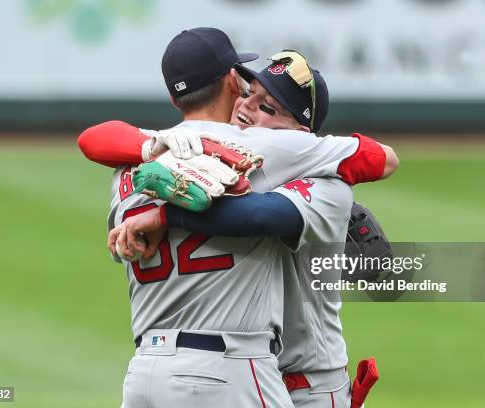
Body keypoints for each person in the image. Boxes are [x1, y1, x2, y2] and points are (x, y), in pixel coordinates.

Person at [78, 27, 394, 407]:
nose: (247, 107)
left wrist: (164, 214)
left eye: (268, 107)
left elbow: (260, 214)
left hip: (302, 383)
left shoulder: (317, 180)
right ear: (232, 82)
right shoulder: (210, 150)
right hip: (235, 370)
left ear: (303, 133)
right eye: (250, 93)